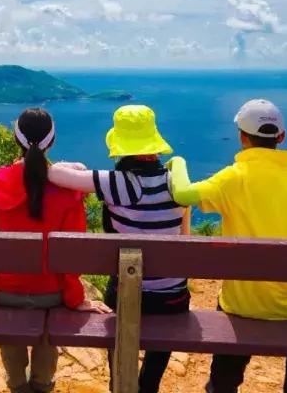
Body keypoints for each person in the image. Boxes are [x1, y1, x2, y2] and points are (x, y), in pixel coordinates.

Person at [166, 99, 287, 393]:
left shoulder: (233, 179)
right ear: (281, 138)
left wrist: (178, 163)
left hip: (243, 305)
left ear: (242, 137)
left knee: (230, 326)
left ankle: (222, 386)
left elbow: (184, 195)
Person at [48, 104, 191, 393]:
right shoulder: (177, 183)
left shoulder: (118, 183)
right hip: (173, 299)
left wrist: (71, 166)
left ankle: (120, 384)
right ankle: (148, 385)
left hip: (130, 295)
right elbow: (185, 239)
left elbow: (52, 175)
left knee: (123, 284)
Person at [0, 107, 110, 393]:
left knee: (8, 320)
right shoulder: (69, 191)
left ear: (16, 139)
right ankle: (43, 384)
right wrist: (75, 299)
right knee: (50, 319)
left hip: (5, 292)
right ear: (51, 141)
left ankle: (17, 385)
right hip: (51, 294)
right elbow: (72, 254)